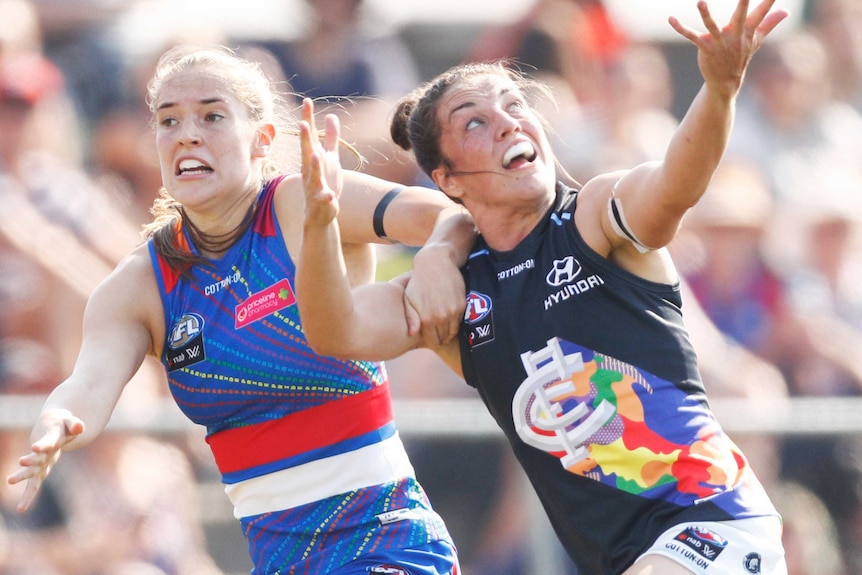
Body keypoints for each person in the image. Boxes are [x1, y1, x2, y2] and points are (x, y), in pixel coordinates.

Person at [295, 1, 789, 573]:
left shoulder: (596, 217)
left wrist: (720, 90)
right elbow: (336, 331)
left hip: (713, 523)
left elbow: (677, 184)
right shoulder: (452, 292)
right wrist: (319, 225)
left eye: (514, 105)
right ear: (446, 180)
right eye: (474, 121)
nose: (508, 121)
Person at [6, 45, 476, 575]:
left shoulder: (304, 202)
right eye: (168, 120)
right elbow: (88, 383)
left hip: (388, 548)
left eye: (211, 115)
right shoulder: (140, 284)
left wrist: (438, 256)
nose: (186, 133)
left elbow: (448, 216)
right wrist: (59, 420)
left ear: (262, 140)